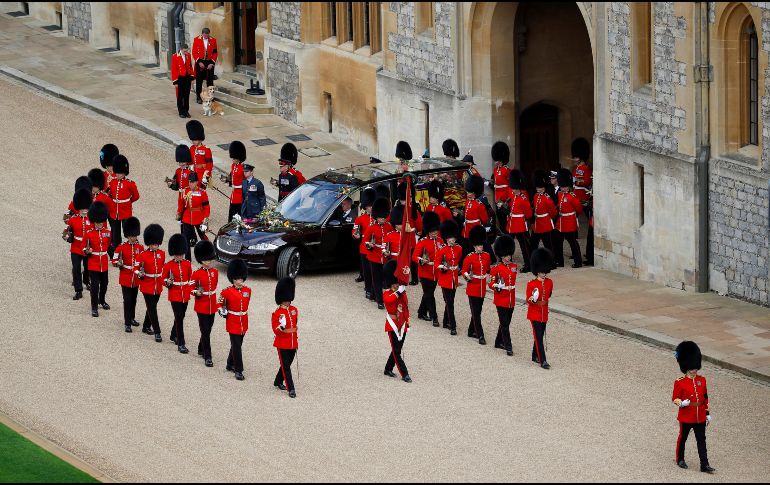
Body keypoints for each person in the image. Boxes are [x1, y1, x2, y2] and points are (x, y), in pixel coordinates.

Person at [673, 341, 715, 474]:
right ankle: (680, 459)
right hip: (686, 416)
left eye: (695, 366)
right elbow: (675, 398)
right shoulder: (680, 382)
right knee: (683, 438)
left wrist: (707, 413)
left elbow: (705, 398)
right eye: (691, 366)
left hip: (700, 416)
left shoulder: (702, 380)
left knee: (701, 441)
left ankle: (704, 464)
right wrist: (682, 403)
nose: (694, 369)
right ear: (686, 366)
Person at [219, 259, 250, 381]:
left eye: (242, 279)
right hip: (232, 321)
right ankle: (238, 370)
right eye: (238, 279)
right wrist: (222, 311)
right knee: (237, 346)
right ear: (233, 279)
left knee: (237, 344)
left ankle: (229, 363)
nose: (240, 281)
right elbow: (219, 303)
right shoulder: (226, 292)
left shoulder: (248, 291)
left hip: (243, 321)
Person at [111, 217, 143, 333]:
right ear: (127, 236)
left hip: (136, 278)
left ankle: (132, 318)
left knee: (134, 299)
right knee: (127, 300)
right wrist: (118, 263)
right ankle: (127, 323)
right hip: (125, 276)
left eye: (134, 236)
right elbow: (114, 261)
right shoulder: (121, 248)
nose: (133, 238)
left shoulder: (140, 248)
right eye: (131, 236)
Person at [382, 260, 412, 383]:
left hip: (402, 324)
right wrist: (399, 292)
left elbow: (405, 307)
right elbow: (389, 301)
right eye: (394, 285)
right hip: (392, 324)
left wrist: (407, 323)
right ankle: (405, 374)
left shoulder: (401, 293)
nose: (396, 286)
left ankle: (388, 368)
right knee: (397, 351)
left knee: (397, 349)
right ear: (390, 285)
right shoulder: (387, 293)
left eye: (397, 285)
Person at [163, 234, 193, 354]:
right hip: (174, 294)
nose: (180, 256)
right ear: (174, 254)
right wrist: (167, 282)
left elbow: (190, 278)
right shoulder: (168, 265)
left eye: (181, 254)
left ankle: (173, 334)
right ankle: (181, 343)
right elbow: (162, 279)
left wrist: (192, 290)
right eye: (178, 254)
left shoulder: (187, 264)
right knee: (179, 317)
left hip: (185, 293)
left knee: (181, 316)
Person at [413, 211, 443, 326]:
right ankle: (434, 316)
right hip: (425, 272)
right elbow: (414, 256)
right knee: (430, 295)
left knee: (428, 293)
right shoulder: (422, 242)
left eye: (436, 231)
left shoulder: (440, 241)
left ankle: (421, 312)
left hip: (436, 272)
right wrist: (421, 260)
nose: (435, 233)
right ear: (428, 231)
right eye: (432, 232)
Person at [191, 241, 219, 367]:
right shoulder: (196, 273)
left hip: (212, 304)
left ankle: (200, 348)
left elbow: (214, 288)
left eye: (210, 259)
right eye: (206, 259)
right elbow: (190, 287)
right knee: (205, 330)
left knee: (208, 329)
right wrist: (196, 292)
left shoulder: (215, 272)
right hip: (201, 305)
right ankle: (208, 356)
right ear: (201, 260)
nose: (208, 261)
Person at [489, 235, 518, 356]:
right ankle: (508, 346)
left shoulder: (514, 267)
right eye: (506, 255)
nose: (508, 257)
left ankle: (497, 342)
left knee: (505, 322)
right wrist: (497, 286)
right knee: (505, 324)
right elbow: (490, 283)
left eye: (509, 255)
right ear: (501, 255)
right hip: (501, 300)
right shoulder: (496, 269)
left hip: (511, 299)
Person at [462, 225, 490, 345]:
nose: (480, 247)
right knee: (476, 312)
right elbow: (464, 271)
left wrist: (488, 275)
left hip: (482, 287)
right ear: (474, 246)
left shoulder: (486, 256)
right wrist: (467, 276)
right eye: (478, 246)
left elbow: (488, 269)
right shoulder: (469, 257)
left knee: (477, 311)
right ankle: (480, 335)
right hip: (473, 287)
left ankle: (470, 330)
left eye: (481, 245)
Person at [83, 201, 112, 318]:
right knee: (95, 286)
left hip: (103, 262)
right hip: (93, 262)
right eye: (98, 222)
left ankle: (102, 300)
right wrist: (87, 251)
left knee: (105, 283)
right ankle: (94, 306)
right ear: (94, 221)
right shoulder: (89, 234)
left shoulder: (107, 233)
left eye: (101, 222)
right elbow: (83, 247)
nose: (100, 224)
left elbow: (109, 246)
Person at [137, 224, 165, 342]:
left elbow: (162, 267)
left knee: (151, 307)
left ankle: (145, 326)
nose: (155, 246)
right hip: (147, 284)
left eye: (156, 244)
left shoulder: (162, 254)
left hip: (157, 284)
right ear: (149, 243)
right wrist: (139, 273)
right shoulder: (142, 255)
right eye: (153, 244)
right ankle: (157, 332)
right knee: (152, 308)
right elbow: (135, 268)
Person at [63, 188, 93, 300]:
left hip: (87, 247)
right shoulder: (73, 220)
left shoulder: (92, 219)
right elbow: (65, 231)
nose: (84, 210)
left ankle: (86, 281)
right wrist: (66, 237)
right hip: (75, 247)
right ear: (78, 209)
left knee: (87, 267)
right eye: (82, 209)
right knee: (76, 268)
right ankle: (78, 290)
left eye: (86, 208)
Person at [527, 248, 554, 369]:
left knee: (540, 335)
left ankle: (534, 355)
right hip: (535, 313)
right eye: (541, 271)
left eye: (545, 271)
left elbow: (548, 296)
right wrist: (533, 299)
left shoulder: (549, 282)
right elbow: (529, 299)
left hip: (544, 313)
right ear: (537, 270)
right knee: (538, 337)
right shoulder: (531, 284)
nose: (543, 273)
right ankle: (543, 360)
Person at [107, 155, 140, 255]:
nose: (118, 175)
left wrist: (127, 202)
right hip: (115, 212)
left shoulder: (130, 183)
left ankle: (130, 252)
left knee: (128, 233)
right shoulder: (112, 182)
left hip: (125, 211)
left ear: (124, 173)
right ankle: (116, 254)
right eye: (117, 173)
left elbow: (136, 196)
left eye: (120, 173)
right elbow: (110, 195)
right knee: (115, 234)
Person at [364, 197, 393, 309]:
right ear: (377, 217)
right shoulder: (371, 227)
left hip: (385, 256)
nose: (383, 219)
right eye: (381, 218)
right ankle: (380, 301)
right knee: (376, 279)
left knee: (384, 278)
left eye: (384, 217)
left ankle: (374, 294)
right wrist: (369, 245)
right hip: (374, 256)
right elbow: (365, 240)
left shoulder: (389, 226)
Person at [272, 277, 299, 398]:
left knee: (287, 363)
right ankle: (291, 388)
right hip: (282, 343)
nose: (287, 301)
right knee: (286, 367)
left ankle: (278, 381)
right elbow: (275, 330)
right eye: (285, 299)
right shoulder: (276, 313)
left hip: (293, 342)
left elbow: (295, 324)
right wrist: (281, 327)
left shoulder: (294, 310)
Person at [436, 220, 462, 335]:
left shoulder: (459, 248)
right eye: (450, 238)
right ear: (446, 239)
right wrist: (443, 266)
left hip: (454, 278)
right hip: (445, 279)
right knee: (450, 303)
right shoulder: (442, 250)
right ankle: (453, 326)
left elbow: (458, 260)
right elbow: (437, 263)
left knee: (449, 301)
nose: (452, 240)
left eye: (453, 238)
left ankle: (446, 321)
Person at [177, 172, 210, 260]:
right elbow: (181, 204)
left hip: (199, 218)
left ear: (196, 182)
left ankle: (209, 253)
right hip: (187, 217)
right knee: (186, 238)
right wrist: (179, 214)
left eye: (192, 182)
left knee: (203, 237)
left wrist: (205, 220)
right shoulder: (185, 191)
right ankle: (188, 259)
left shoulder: (202, 192)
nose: (190, 183)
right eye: (189, 182)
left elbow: (206, 207)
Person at [554, 168, 583, 268]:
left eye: (565, 186)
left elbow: (578, 209)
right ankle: (559, 261)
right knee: (558, 242)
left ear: (568, 186)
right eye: (562, 186)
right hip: (561, 222)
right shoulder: (560, 194)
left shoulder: (572, 196)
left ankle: (578, 262)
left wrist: (573, 215)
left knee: (573, 243)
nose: (563, 188)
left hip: (569, 222)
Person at [505, 169, 532, 272]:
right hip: (511, 223)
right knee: (509, 244)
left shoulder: (523, 198)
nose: (514, 190)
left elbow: (528, 214)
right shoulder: (513, 194)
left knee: (524, 247)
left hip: (520, 224)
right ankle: (507, 261)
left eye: (516, 188)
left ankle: (528, 265)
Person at [530, 171, 558, 261]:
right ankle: (532, 260)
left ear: (544, 188)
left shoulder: (547, 198)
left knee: (548, 245)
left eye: (540, 187)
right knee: (533, 243)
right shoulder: (535, 196)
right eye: (537, 187)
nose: (538, 189)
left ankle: (551, 261)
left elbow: (553, 213)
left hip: (545, 224)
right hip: (537, 223)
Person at [353, 187, 376, 292]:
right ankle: (367, 288)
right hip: (364, 247)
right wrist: (356, 235)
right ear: (365, 207)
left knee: (375, 270)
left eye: (372, 206)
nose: (370, 208)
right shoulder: (360, 218)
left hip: (376, 247)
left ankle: (375, 287)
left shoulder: (378, 218)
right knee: (366, 270)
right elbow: (355, 231)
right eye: (368, 206)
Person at [192, 27, 218, 104]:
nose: (206, 36)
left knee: (210, 81)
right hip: (200, 61)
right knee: (199, 81)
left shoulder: (213, 40)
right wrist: (199, 62)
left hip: (209, 62)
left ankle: (210, 96)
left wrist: (212, 63)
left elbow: (215, 53)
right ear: (202, 34)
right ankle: (198, 97)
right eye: (205, 35)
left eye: (207, 35)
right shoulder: (196, 39)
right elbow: (194, 52)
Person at [460, 174, 488, 241]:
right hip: (466, 230)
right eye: (467, 192)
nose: (468, 194)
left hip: (475, 230)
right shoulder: (467, 201)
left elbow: (484, 219)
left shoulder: (479, 204)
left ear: (475, 192)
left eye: (470, 192)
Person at [186, 120, 214, 188]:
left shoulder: (206, 149)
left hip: (202, 174)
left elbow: (209, 164)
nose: (193, 142)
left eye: (195, 140)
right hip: (193, 173)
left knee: (200, 194)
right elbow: (190, 162)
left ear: (200, 139)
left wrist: (206, 177)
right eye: (192, 140)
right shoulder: (192, 148)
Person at [171, 44, 194, 118]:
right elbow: (174, 69)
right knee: (180, 96)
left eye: (187, 51)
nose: (186, 52)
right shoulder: (175, 56)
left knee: (187, 95)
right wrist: (175, 82)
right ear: (181, 49)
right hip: (180, 78)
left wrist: (192, 77)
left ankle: (186, 111)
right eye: (184, 51)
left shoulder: (188, 55)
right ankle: (181, 111)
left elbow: (190, 66)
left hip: (187, 78)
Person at [226, 141, 246, 221]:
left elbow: (246, 181)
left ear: (238, 158)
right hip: (234, 194)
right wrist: (228, 180)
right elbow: (232, 176)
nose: (232, 159)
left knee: (240, 215)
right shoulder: (233, 166)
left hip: (240, 194)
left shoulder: (243, 168)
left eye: (234, 158)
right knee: (231, 214)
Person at [491, 141, 511, 214]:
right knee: (499, 217)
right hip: (497, 198)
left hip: (504, 198)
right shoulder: (495, 170)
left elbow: (510, 185)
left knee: (504, 218)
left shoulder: (506, 170)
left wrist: (507, 199)